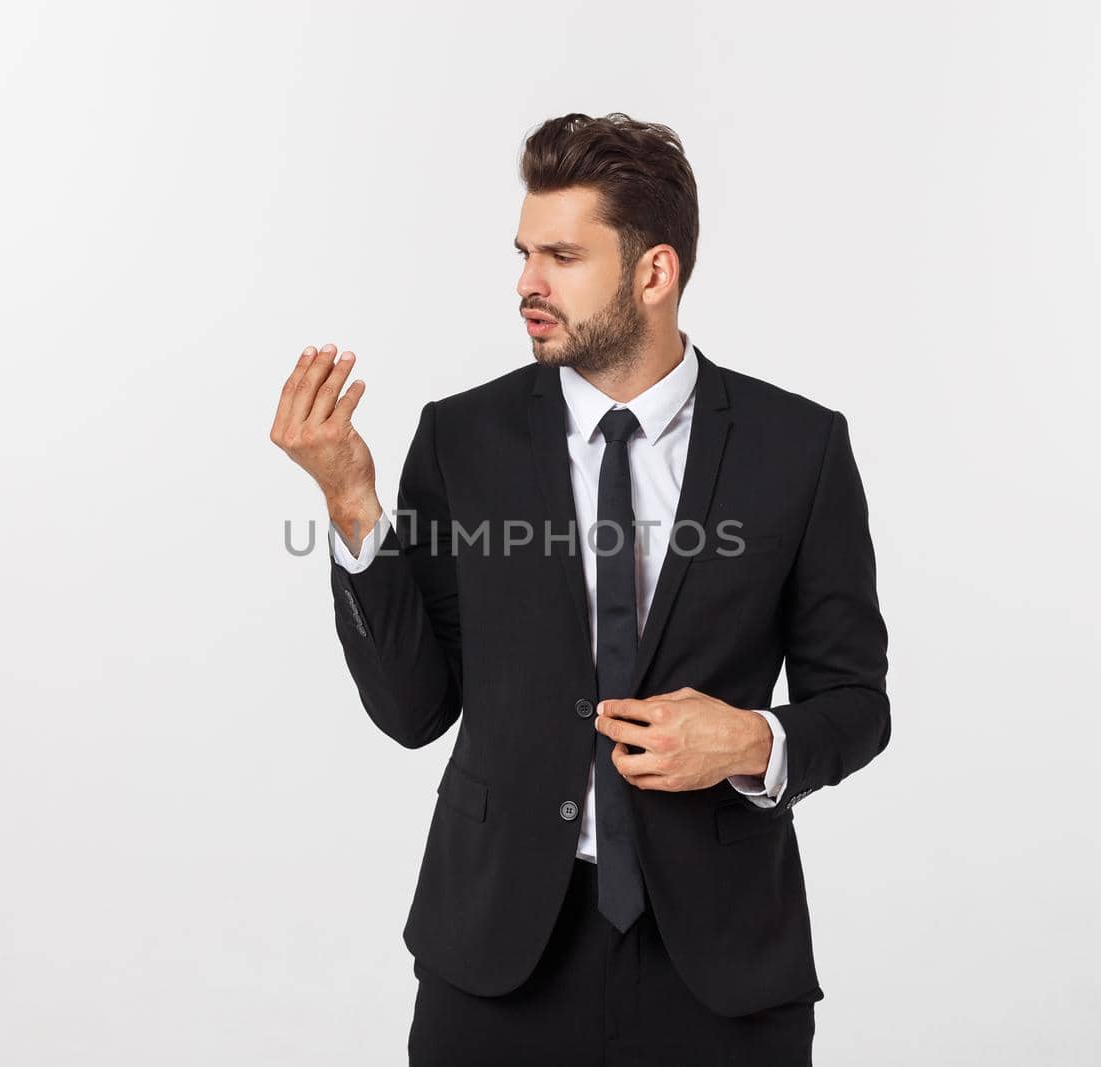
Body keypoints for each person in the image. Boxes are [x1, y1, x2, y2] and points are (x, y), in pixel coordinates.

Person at [270, 112, 890, 1066]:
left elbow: (856, 703)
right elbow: (414, 707)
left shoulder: (797, 450)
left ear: (654, 272)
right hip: (497, 957)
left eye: (562, 255)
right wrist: (352, 503)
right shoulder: (460, 439)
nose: (526, 283)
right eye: (524, 253)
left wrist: (754, 738)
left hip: (721, 965)